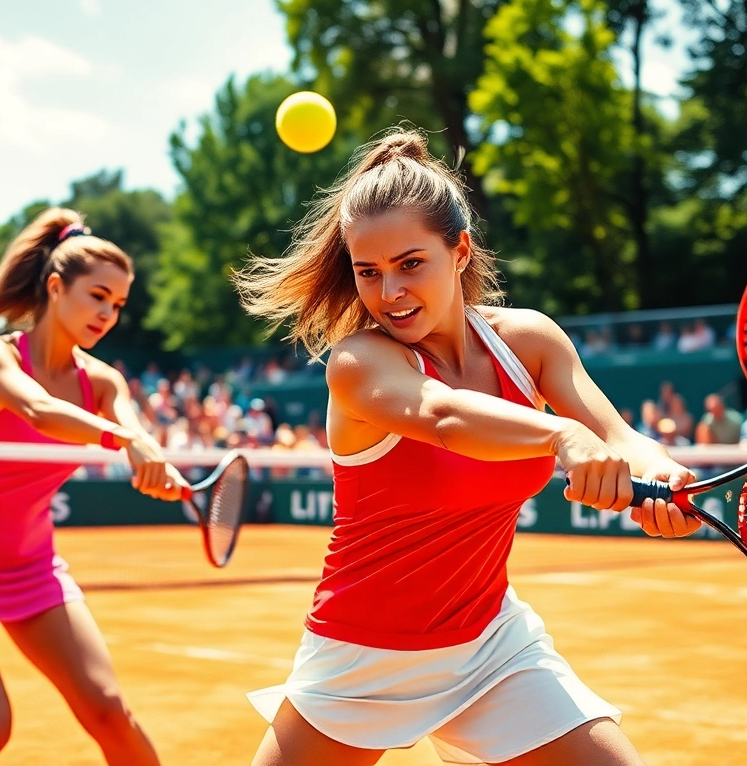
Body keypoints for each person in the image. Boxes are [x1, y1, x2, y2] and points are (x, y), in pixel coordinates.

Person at [233, 131, 699, 766]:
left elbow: (622, 436)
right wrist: (562, 437)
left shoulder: (529, 341)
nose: (389, 292)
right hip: (364, 655)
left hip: (491, 646)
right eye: (368, 272)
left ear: (459, 250)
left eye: (410, 263)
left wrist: (664, 475)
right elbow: (441, 414)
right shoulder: (358, 362)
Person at [0, 208, 186, 766]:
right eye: (98, 296)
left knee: (109, 711)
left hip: (30, 567)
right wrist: (126, 440)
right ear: (56, 287)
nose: (108, 313)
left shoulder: (103, 381)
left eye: (117, 304)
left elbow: (137, 432)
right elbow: (38, 408)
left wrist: (155, 464)